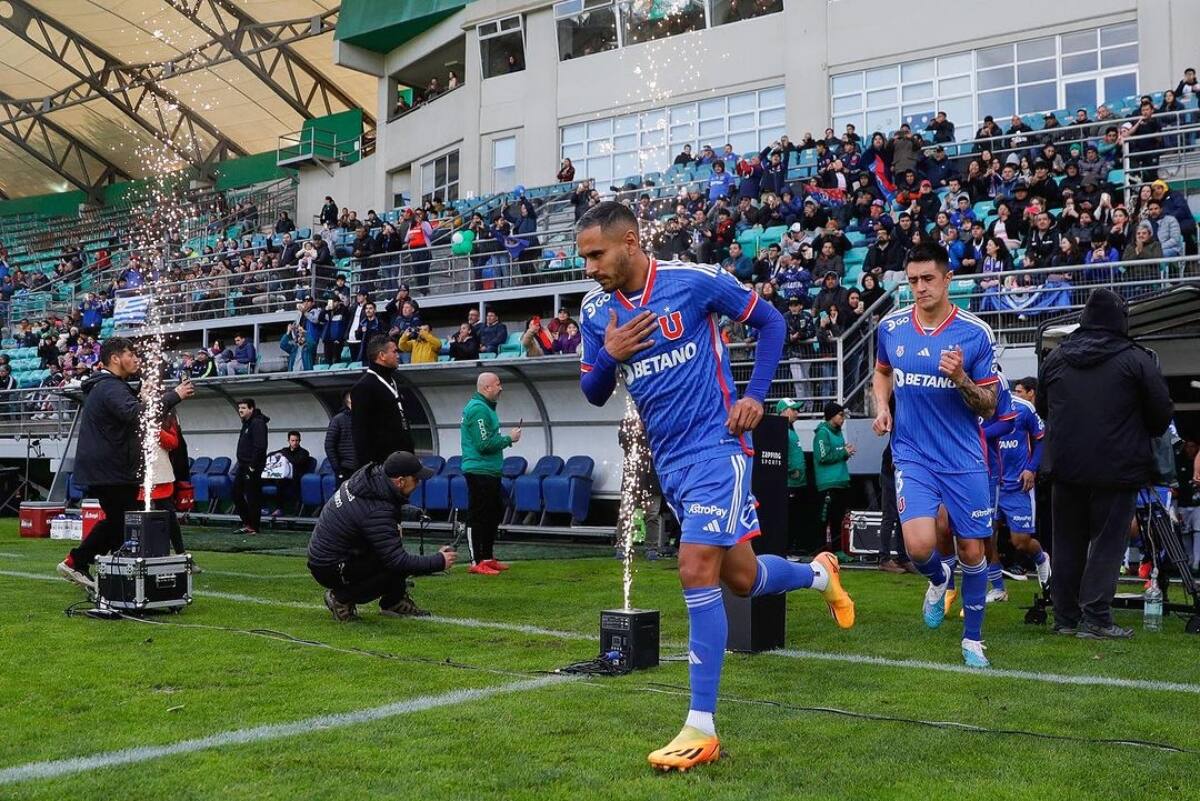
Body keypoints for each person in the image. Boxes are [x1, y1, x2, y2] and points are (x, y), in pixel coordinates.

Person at [575, 201, 854, 772]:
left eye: (597, 254)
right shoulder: (595, 310)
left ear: (630, 241)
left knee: (694, 567)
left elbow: (771, 321)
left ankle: (700, 726)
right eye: (584, 258)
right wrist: (610, 354)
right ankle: (821, 573)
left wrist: (755, 394)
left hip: (719, 447)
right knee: (742, 576)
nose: (590, 267)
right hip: (670, 461)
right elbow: (592, 391)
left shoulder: (693, 282)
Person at [872, 241, 1000, 668]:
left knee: (972, 552)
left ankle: (973, 640)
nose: (920, 288)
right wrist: (881, 406)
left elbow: (990, 405)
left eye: (928, 279)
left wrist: (961, 376)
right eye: (912, 281)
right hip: (912, 452)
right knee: (919, 545)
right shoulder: (891, 328)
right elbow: (882, 371)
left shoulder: (975, 333)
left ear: (948, 279)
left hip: (964, 458)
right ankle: (939, 579)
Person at [1036, 289, 1173, 638]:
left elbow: (1042, 409)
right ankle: (1096, 617)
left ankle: (1065, 618)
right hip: (1118, 467)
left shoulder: (1056, 358)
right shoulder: (1136, 359)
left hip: (1065, 467)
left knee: (1066, 542)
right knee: (1108, 544)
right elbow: (1160, 416)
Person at [56, 338, 195, 591]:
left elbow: (130, 412)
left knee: (122, 521)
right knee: (124, 521)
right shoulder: (109, 387)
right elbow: (137, 415)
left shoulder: (111, 387)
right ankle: (78, 561)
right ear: (115, 358)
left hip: (110, 469)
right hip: (111, 470)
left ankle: (104, 571)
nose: (136, 359)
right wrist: (174, 396)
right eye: (131, 354)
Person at [307, 451, 456, 621]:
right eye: (415, 479)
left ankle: (394, 602)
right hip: (330, 567)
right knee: (394, 564)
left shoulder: (370, 482)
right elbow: (398, 561)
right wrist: (439, 561)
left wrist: (404, 513)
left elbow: (368, 512)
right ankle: (340, 598)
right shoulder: (378, 509)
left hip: (327, 558)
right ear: (400, 481)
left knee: (390, 552)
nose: (418, 483)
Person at [460, 372, 521, 575]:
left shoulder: (486, 408)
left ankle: (487, 557)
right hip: (479, 469)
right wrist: (508, 439)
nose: (500, 388)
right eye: (497, 384)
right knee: (478, 514)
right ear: (487, 387)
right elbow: (484, 444)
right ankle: (476, 560)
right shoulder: (478, 410)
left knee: (493, 512)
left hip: (490, 470)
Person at [993, 390, 1051, 588]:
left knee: (1021, 541)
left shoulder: (1023, 408)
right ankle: (998, 588)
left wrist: (1031, 468)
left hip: (1018, 486)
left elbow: (1041, 438)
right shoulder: (978, 407)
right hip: (991, 485)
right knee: (985, 538)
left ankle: (1041, 559)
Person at [351, 334, 415, 467]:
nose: (398, 355)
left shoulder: (393, 381)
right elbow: (360, 433)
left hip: (402, 460)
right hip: (382, 466)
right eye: (394, 351)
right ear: (382, 355)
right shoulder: (364, 386)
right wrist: (369, 469)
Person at [813, 401, 854, 558]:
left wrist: (846, 453)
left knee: (838, 519)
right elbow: (822, 456)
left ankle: (838, 551)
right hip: (828, 484)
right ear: (831, 416)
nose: (843, 419)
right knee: (825, 520)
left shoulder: (839, 433)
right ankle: (822, 552)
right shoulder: (822, 433)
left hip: (841, 481)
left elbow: (838, 455)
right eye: (840, 415)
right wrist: (843, 453)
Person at [775, 399, 809, 556]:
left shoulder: (791, 430)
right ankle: (785, 548)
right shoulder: (781, 431)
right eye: (793, 409)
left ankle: (792, 547)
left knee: (796, 517)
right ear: (783, 411)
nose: (797, 412)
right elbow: (780, 454)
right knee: (787, 517)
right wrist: (790, 470)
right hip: (789, 482)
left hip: (797, 482)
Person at [233, 399, 268, 535]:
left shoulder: (257, 423)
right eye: (239, 408)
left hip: (252, 466)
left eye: (243, 408)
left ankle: (254, 525)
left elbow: (260, 447)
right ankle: (247, 522)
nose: (240, 410)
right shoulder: (247, 423)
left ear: (251, 409)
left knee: (253, 496)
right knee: (236, 493)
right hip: (242, 465)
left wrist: (253, 466)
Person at [324, 392, 357, 487]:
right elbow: (329, 445)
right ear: (348, 402)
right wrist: (337, 468)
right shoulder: (338, 419)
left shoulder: (362, 418)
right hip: (345, 468)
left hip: (362, 468)